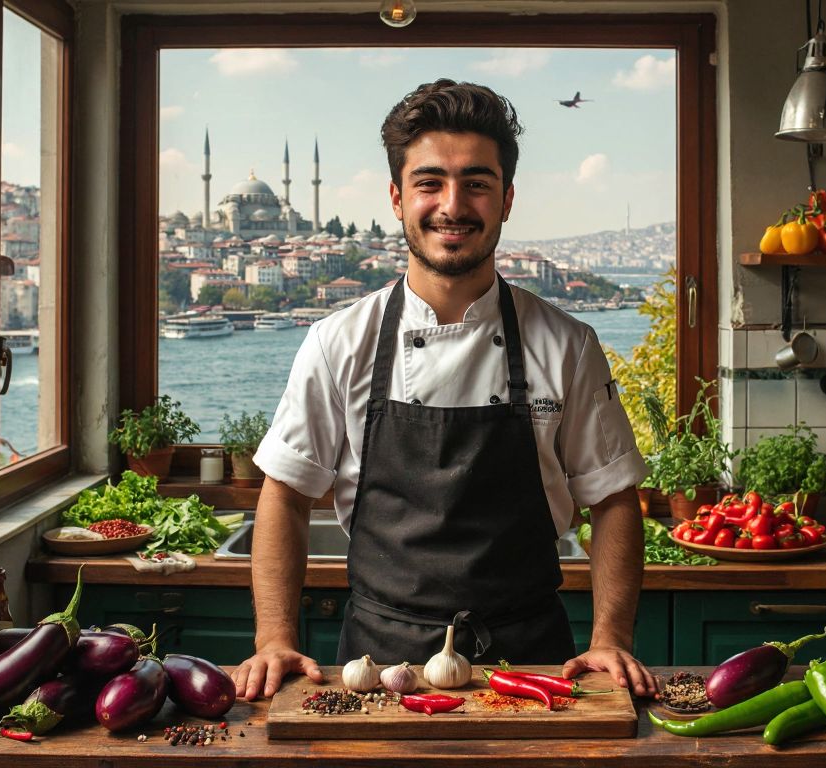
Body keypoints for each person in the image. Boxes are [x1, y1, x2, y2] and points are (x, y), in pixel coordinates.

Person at [232, 79, 654, 701]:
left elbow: (613, 500)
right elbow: (287, 493)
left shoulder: (567, 344)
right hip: (378, 667)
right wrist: (273, 638)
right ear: (398, 197)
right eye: (430, 183)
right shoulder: (336, 342)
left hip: (534, 660)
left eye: (476, 183)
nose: (452, 205)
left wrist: (611, 635)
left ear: (507, 199)